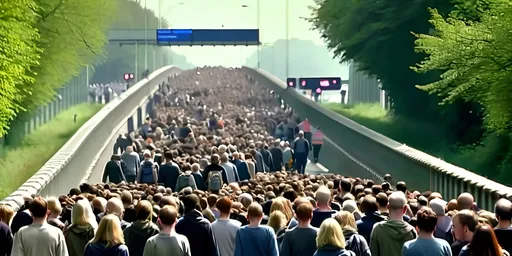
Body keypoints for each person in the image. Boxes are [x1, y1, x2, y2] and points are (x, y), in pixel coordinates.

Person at [370, 191, 417, 256]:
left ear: (388, 206)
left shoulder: (377, 229)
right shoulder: (412, 232)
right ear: (405, 209)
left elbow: (373, 253)